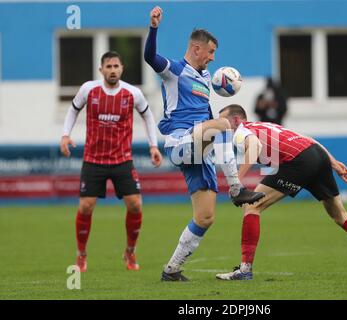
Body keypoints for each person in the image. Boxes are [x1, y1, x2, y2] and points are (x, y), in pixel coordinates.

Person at [144, 6, 265, 281]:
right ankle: (236, 188)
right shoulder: (174, 70)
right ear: (196, 48)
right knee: (222, 126)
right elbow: (149, 56)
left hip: (200, 150)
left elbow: (205, 115)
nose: (212, 58)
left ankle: (171, 270)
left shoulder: (206, 78)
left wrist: (219, 122)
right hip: (181, 142)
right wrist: (153, 27)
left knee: (206, 216)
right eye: (210, 52)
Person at [215, 104, 347, 280]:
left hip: (298, 162)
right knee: (341, 216)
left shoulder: (240, 132)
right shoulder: (265, 125)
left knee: (252, 207)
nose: (221, 126)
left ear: (237, 120)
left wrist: (235, 183)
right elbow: (309, 139)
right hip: (317, 155)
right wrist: (333, 163)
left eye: (223, 121)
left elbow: (254, 147)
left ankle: (245, 270)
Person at [60, 51, 163, 272]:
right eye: (108, 66)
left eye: (116, 66)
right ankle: (81, 255)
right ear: (101, 70)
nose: (112, 70)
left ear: (122, 69)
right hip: (93, 160)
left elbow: (148, 115)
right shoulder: (89, 89)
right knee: (86, 207)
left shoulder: (133, 93)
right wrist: (65, 135)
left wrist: (153, 145)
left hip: (122, 159)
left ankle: (130, 251)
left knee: (135, 204)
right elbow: (72, 110)